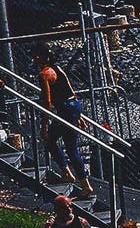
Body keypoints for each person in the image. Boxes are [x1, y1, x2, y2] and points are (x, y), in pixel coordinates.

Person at [35, 45, 94, 199]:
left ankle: (86, 185)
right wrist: (78, 115)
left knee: (70, 147)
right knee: (52, 142)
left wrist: (43, 125)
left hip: (66, 109)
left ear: (45, 58)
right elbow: (70, 91)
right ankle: (67, 173)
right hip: (72, 107)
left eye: (39, 56)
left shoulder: (44, 74)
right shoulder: (58, 69)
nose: (36, 59)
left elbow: (47, 102)